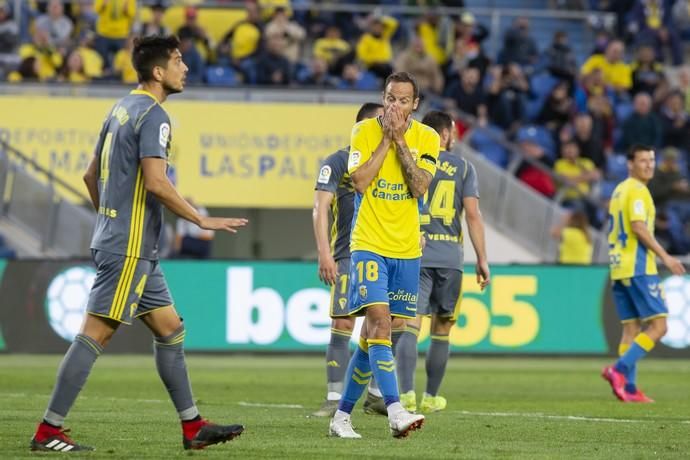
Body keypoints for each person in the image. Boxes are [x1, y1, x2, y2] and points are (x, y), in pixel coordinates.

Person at [30, 35, 248, 452]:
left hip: (128, 244)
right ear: (158, 72)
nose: (186, 67)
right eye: (179, 61)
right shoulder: (155, 114)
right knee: (95, 335)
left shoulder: (119, 108)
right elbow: (157, 182)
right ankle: (48, 430)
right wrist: (201, 219)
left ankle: (192, 426)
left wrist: (109, 220)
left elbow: (90, 177)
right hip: (128, 247)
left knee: (170, 330)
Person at [328, 71, 439, 439]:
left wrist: (401, 142)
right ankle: (395, 410)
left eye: (403, 100)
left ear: (415, 104)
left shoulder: (428, 137)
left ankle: (341, 416)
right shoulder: (363, 131)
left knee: (384, 331)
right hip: (369, 243)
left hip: (406, 248)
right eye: (390, 98)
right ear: (384, 97)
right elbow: (359, 181)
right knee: (377, 320)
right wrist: (387, 142)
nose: (395, 106)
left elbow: (419, 187)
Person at [395, 110, 490, 413]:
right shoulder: (464, 168)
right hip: (450, 258)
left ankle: (406, 394)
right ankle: (431, 397)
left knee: (410, 326)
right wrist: (482, 259)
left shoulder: (411, 162)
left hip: (415, 254)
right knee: (441, 329)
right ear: (447, 133)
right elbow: (473, 215)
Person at [311, 102, 385, 418]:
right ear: (360, 128)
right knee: (343, 322)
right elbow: (320, 207)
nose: (382, 127)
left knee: (381, 324)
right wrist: (324, 253)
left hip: (384, 254)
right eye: (376, 122)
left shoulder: (388, 160)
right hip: (347, 254)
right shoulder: (338, 161)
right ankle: (333, 396)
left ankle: (375, 395)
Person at [602, 144, 686, 403]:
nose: (649, 165)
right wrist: (666, 256)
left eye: (651, 160)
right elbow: (638, 227)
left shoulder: (619, 191)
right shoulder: (638, 191)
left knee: (631, 330)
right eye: (643, 161)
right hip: (638, 267)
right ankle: (618, 370)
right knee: (659, 326)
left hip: (618, 267)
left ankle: (629, 389)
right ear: (630, 164)